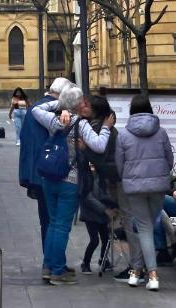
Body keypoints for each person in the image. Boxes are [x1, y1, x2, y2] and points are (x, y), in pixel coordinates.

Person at [32, 82, 115, 285]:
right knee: (61, 226)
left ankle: (50, 266)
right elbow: (99, 145)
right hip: (69, 180)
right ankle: (57, 271)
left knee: (52, 223)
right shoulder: (81, 123)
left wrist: (58, 106)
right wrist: (105, 128)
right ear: (78, 104)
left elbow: (36, 109)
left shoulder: (54, 121)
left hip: (49, 177)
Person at [115, 94, 174, 292]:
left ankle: (148, 274)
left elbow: (119, 164)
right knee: (148, 225)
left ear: (131, 110)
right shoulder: (162, 132)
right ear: (150, 109)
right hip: (158, 186)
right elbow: (169, 158)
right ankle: (140, 272)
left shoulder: (123, 134)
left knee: (144, 228)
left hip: (134, 188)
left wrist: (129, 177)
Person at [19, 77, 69, 258]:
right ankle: (52, 263)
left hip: (35, 171)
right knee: (53, 222)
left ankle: (52, 262)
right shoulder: (54, 110)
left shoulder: (36, 107)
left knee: (47, 221)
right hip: (49, 172)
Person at [78, 95, 118, 273]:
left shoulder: (98, 128)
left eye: (88, 106)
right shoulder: (97, 127)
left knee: (103, 235)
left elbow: (100, 155)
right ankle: (97, 261)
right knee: (98, 237)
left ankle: (102, 260)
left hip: (100, 181)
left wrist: (86, 151)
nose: (84, 107)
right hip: (99, 186)